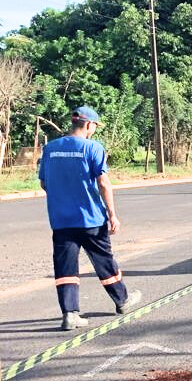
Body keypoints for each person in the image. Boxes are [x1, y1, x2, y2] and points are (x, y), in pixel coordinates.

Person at [38, 105, 142, 330]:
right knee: (103, 260)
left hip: (61, 221)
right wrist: (112, 213)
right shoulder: (93, 148)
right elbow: (103, 183)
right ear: (88, 125)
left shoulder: (50, 149)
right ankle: (122, 300)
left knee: (65, 268)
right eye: (95, 125)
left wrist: (63, 198)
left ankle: (70, 314)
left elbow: (44, 183)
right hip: (91, 220)